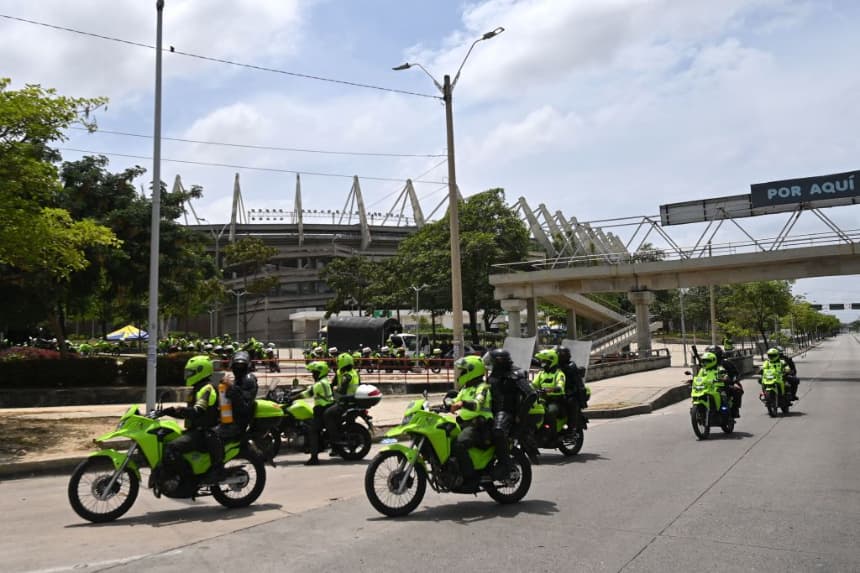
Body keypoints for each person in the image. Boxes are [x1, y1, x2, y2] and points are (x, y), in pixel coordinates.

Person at [157, 356, 222, 482]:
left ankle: (187, 481)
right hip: (196, 430)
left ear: (200, 371)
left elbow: (198, 410)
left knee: (171, 448)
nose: (187, 376)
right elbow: (189, 414)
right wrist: (165, 412)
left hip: (204, 432)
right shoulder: (198, 388)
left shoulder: (207, 389)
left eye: (190, 373)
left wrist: (177, 410)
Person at [484, 349, 537, 480]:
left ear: (499, 361)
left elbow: (531, 394)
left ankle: (505, 464)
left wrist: (520, 415)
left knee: (498, 431)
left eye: (491, 361)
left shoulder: (515, 374)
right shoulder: (493, 375)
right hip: (491, 411)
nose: (489, 364)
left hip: (506, 412)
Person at [212, 350, 259, 475]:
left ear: (247, 366)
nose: (238, 369)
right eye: (236, 366)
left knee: (210, 436)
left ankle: (215, 469)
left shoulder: (249, 380)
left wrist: (230, 387)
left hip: (238, 423)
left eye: (241, 366)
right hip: (229, 419)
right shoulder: (238, 380)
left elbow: (244, 405)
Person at [450, 355, 492, 482]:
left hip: (479, 426)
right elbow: (454, 401)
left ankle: (469, 477)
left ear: (472, 371)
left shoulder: (482, 388)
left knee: (459, 445)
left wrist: (462, 404)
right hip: (465, 424)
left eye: (463, 371)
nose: (461, 373)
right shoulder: (466, 389)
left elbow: (477, 404)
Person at [324, 352, 361, 450]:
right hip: (350, 401)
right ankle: (336, 447)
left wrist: (336, 389)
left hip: (346, 403)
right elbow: (332, 384)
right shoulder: (353, 372)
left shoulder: (347, 375)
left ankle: (335, 441)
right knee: (337, 421)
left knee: (327, 414)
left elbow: (342, 389)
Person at [301, 361, 335, 465]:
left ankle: (314, 458)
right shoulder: (323, 381)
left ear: (320, 372)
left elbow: (308, 393)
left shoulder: (320, 384)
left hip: (322, 409)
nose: (313, 375)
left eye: (314, 373)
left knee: (312, 431)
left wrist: (292, 397)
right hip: (324, 408)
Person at [532, 348, 566, 440]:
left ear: (552, 361)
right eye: (542, 361)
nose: (543, 363)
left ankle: (553, 436)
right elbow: (533, 385)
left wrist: (550, 389)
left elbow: (560, 386)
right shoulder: (541, 373)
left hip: (555, 401)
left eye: (545, 361)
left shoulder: (559, 373)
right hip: (542, 399)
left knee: (550, 412)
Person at [705, 345, 743, 417]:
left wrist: (734, 382)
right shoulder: (705, 365)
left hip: (725, 384)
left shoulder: (725, 363)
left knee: (737, 390)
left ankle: (734, 409)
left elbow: (735, 373)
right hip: (709, 385)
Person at [556, 345, 588, 429]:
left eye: (561, 354)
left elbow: (576, 382)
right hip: (557, 391)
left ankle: (571, 429)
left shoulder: (571, 366)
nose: (559, 356)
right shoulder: (555, 366)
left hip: (570, 392)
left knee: (570, 403)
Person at [696, 351, 734, 415]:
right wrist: (692, 380)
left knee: (723, 396)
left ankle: (726, 413)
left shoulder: (719, 368)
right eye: (704, 361)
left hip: (717, 387)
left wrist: (724, 377)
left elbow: (724, 375)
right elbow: (698, 378)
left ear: (713, 361)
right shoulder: (702, 370)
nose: (705, 363)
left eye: (707, 361)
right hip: (705, 388)